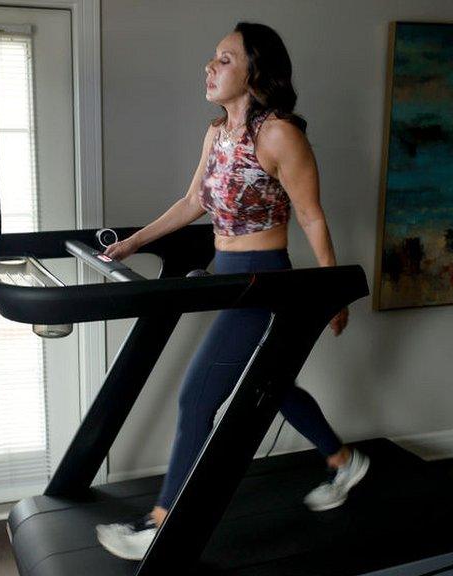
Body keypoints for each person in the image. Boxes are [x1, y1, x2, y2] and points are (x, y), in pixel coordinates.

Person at [94, 22, 369, 561]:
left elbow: (311, 216)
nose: (210, 67)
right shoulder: (217, 133)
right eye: (212, 58)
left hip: (265, 280)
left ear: (254, 70)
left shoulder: (279, 134)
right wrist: (131, 244)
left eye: (224, 59)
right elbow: (192, 201)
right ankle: (342, 460)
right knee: (271, 381)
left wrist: (332, 289)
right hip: (228, 277)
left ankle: (161, 521)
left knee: (196, 396)